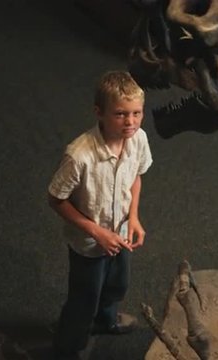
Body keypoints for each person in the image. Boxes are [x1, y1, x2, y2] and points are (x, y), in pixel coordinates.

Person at [47, 70, 153, 360]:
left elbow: (136, 178)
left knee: (117, 285)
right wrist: (96, 231)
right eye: (120, 114)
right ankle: (68, 345)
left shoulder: (139, 139)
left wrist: (134, 217)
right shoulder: (79, 155)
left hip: (120, 237)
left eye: (136, 113)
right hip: (89, 245)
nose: (130, 122)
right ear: (100, 113)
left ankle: (107, 320)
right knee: (84, 297)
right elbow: (56, 198)